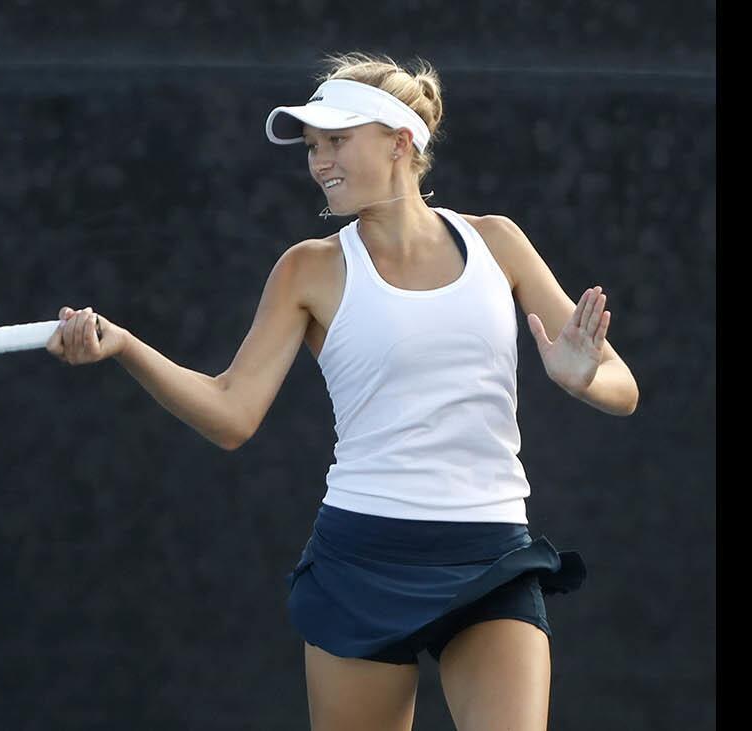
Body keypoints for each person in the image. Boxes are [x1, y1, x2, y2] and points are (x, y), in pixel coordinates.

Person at [46, 52, 638, 731]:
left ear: (399, 142)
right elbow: (232, 412)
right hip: (363, 557)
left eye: (336, 141)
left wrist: (585, 375)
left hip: (492, 554)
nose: (319, 161)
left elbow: (622, 387)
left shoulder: (499, 243)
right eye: (311, 147)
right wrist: (126, 346)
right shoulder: (307, 269)